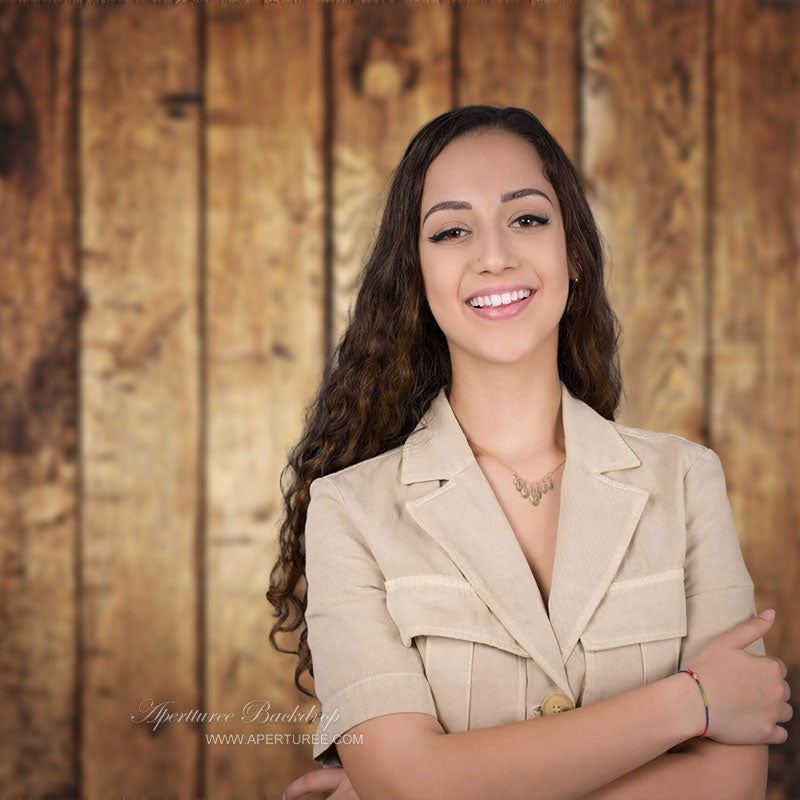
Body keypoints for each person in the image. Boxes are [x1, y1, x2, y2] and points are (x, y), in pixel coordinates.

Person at [268, 105, 791, 800]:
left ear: (572, 251)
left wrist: (438, 785)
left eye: (527, 218)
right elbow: (409, 785)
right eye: (452, 231)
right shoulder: (348, 512)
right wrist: (690, 702)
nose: (494, 255)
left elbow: (733, 784)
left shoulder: (687, 481)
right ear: (416, 276)